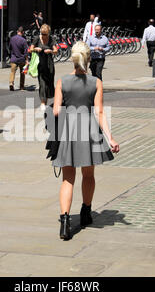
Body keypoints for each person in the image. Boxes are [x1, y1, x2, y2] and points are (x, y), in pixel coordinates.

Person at [50, 41, 120, 240]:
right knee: (88, 175)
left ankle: (64, 223)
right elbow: (99, 112)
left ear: (72, 59)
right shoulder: (96, 82)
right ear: (89, 59)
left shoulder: (62, 81)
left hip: (68, 133)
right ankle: (86, 212)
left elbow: (55, 111)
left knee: (67, 178)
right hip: (89, 132)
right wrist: (110, 138)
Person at [30, 24, 58, 111]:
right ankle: (42, 102)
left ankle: (46, 99)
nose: (43, 36)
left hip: (49, 64)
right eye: (42, 34)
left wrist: (51, 51)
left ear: (48, 33)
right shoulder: (37, 38)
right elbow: (30, 49)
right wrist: (36, 49)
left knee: (49, 83)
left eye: (45, 34)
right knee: (42, 84)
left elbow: (56, 51)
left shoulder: (51, 39)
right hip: (40, 64)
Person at [8, 26, 29, 91]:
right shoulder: (24, 40)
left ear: (17, 31)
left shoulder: (12, 39)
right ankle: (21, 87)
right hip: (21, 59)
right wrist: (27, 60)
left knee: (12, 72)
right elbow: (26, 52)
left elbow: (10, 47)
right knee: (22, 73)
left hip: (13, 58)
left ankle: (11, 83)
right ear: (23, 32)